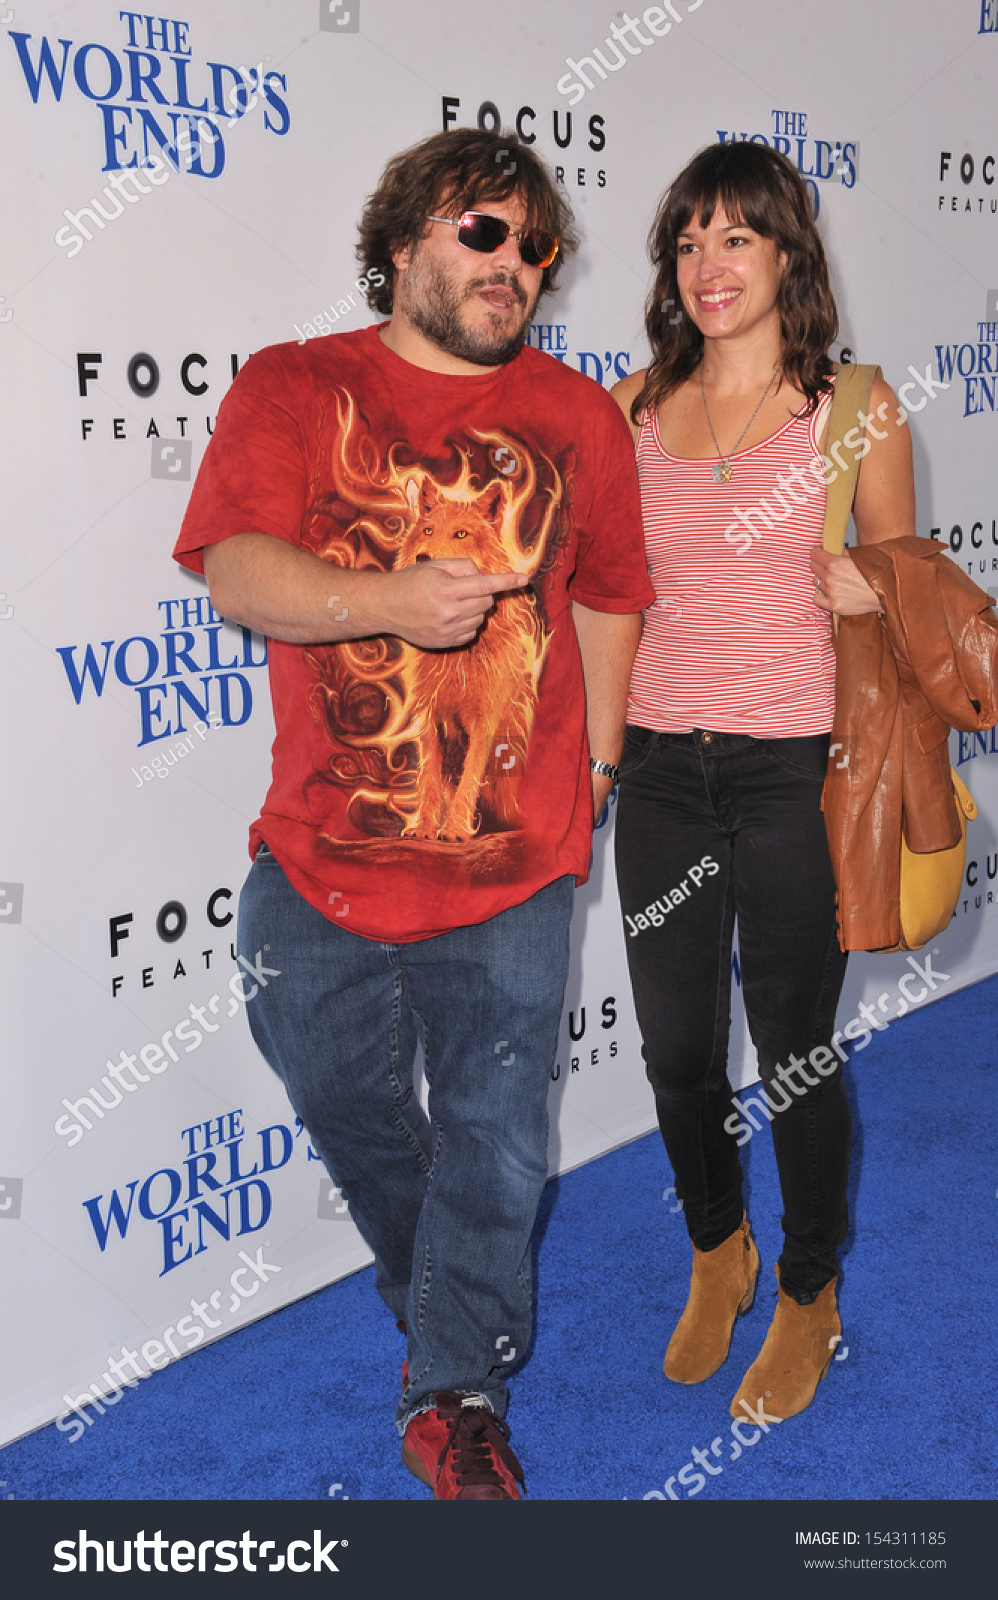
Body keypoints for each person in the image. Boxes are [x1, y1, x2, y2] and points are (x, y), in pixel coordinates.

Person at [174, 127, 653, 1499]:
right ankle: (437, 1283)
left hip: (516, 861)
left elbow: (612, 592)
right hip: (318, 851)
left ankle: (455, 1388)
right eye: (481, 235)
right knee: (333, 1084)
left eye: (533, 244)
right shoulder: (295, 385)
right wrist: (388, 599)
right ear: (401, 245)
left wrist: (603, 765)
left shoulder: (575, 421)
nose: (515, 265)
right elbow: (239, 575)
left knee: (501, 1133)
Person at [611, 141, 913, 1424]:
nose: (706, 265)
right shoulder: (633, 402)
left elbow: (918, 600)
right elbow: (611, 601)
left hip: (796, 765)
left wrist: (876, 583)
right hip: (661, 769)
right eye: (686, 241)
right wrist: (593, 761)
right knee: (679, 1053)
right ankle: (717, 1249)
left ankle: (806, 1289)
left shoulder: (858, 405)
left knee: (790, 1049)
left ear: (788, 249)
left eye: (734, 236)